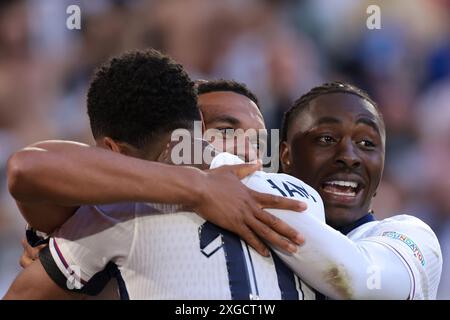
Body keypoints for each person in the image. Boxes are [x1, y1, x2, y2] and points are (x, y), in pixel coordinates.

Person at [4, 50, 324, 299]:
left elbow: (28, 169)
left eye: (258, 139)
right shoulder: (123, 211)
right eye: (225, 130)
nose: (244, 148)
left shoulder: (304, 202)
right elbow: (29, 170)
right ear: (198, 123)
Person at [274, 81, 442, 299]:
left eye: (366, 143)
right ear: (286, 156)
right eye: (327, 139)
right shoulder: (249, 241)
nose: (349, 157)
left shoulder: (414, 236)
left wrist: (245, 190)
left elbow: (360, 280)